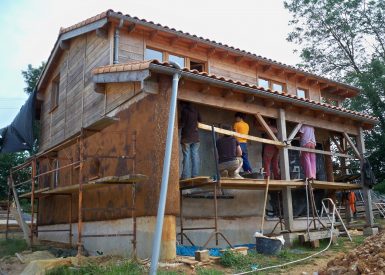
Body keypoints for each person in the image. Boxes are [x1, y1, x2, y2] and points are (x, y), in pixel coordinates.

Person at [180, 102, 201, 179]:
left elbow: (182, 123)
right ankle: (195, 175)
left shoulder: (184, 111)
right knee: (195, 155)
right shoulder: (196, 110)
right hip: (196, 138)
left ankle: (185, 176)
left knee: (186, 156)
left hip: (186, 137)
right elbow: (201, 120)